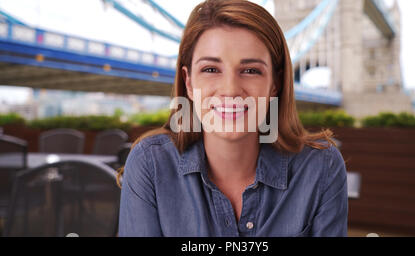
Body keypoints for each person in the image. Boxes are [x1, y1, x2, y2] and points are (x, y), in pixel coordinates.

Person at [117, 0, 348, 237]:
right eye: (210, 69)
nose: (230, 90)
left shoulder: (321, 168)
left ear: (275, 84)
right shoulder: (150, 163)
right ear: (188, 82)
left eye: (250, 71)